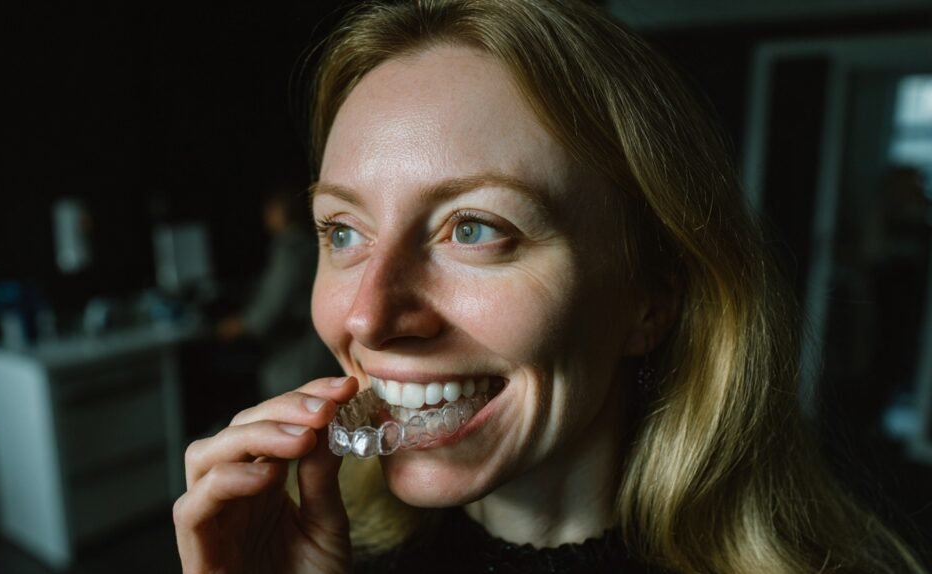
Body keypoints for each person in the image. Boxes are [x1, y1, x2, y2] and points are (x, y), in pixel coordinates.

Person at [174, 1, 929, 572]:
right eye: (343, 231)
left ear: (650, 300)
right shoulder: (315, 555)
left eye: (473, 228)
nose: (367, 315)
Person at [216, 184, 339, 400]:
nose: (267, 216)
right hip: (319, 353)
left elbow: (270, 310)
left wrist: (238, 325)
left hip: (296, 360)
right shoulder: (310, 243)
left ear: (283, 211)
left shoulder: (289, 250)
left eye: (271, 209)